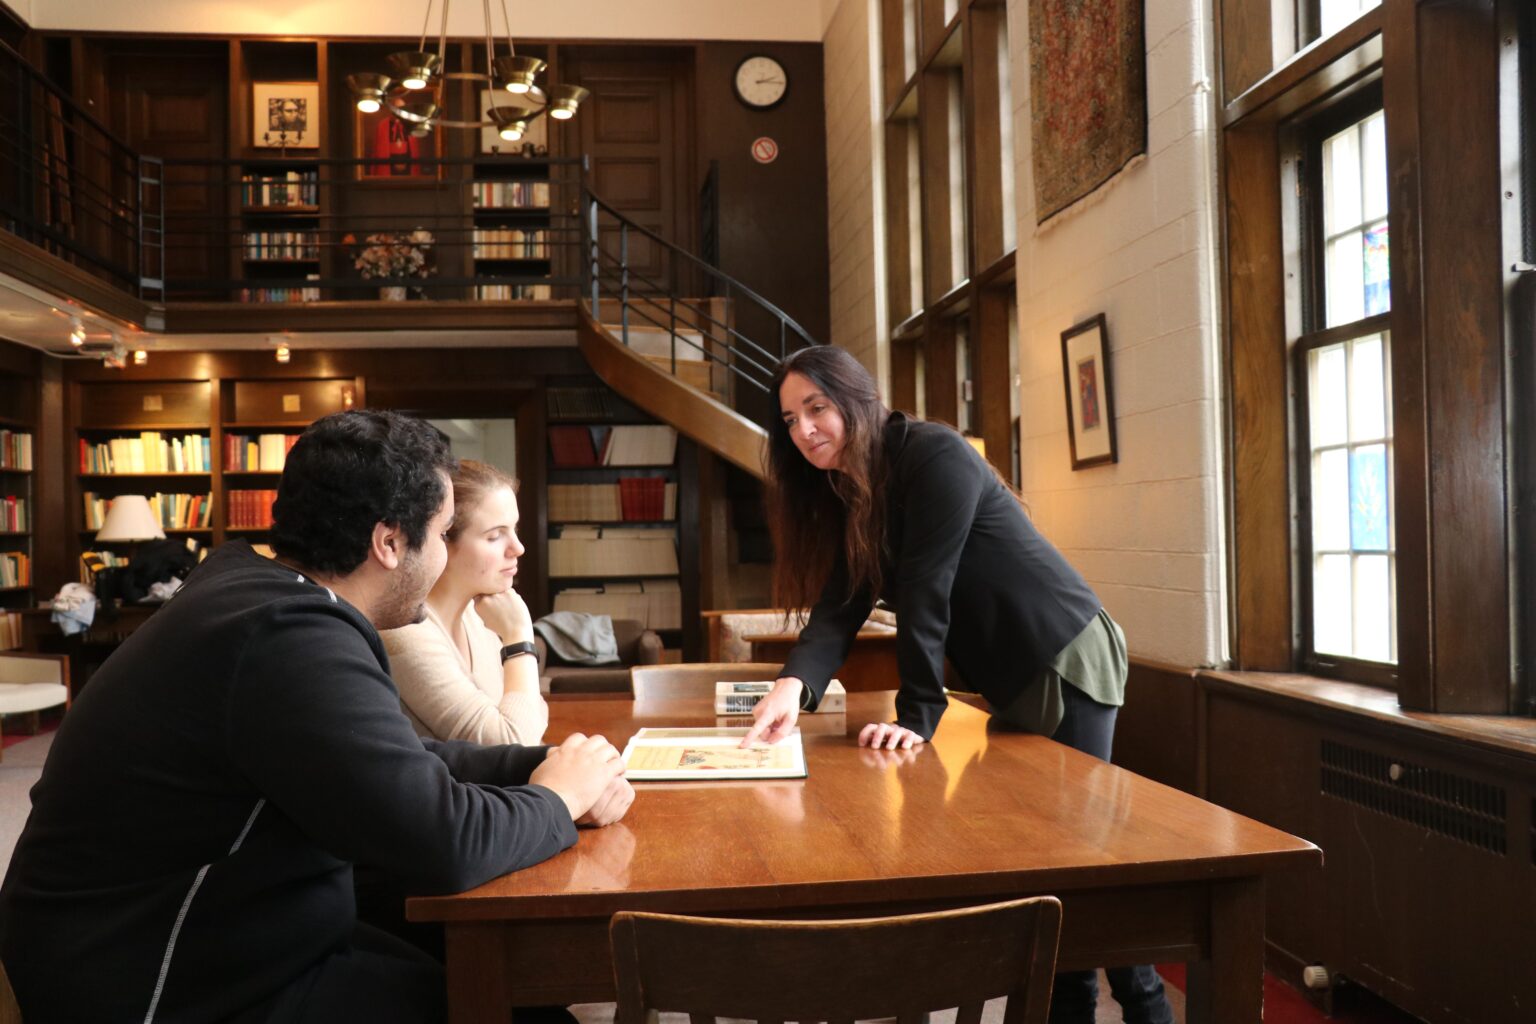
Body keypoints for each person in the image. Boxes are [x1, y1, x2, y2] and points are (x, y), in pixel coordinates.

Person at [0, 410, 633, 1024]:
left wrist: (542, 766)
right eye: (443, 536)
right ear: (388, 542)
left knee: (516, 985)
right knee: (521, 1008)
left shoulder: (257, 592)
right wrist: (556, 799)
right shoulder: (288, 637)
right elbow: (446, 844)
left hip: (232, 932)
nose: (445, 556)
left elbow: (390, 761)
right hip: (160, 981)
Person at [741, 345, 1174, 1024]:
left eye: (817, 408)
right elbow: (839, 607)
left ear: (857, 399)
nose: (804, 430)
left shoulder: (933, 454)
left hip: (1067, 653)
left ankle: (1141, 1005)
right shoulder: (849, 492)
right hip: (1012, 677)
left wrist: (918, 715)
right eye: (791, 418)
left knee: (1084, 863)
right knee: (1052, 866)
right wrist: (791, 688)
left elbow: (927, 590)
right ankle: (1073, 1002)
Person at [383, 459, 547, 745]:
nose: (518, 548)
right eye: (495, 536)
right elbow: (513, 742)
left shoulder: (479, 615)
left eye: (514, 530)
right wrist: (519, 637)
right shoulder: (404, 633)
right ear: (441, 540)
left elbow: (535, 712)